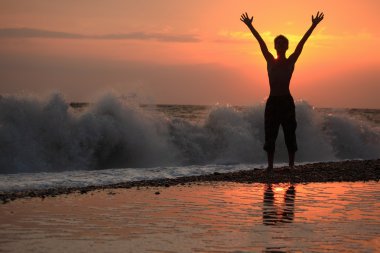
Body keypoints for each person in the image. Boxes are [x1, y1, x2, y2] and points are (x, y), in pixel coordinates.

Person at [240, 11, 324, 170]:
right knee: (270, 134)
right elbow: (260, 42)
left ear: (286, 46)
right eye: (277, 43)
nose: (280, 46)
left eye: (282, 44)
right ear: (275, 46)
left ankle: (291, 165)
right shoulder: (270, 60)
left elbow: (302, 44)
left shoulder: (291, 61)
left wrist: (313, 25)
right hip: (272, 101)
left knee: (289, 133)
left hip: (286, 101)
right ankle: (270, 166)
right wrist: (250, 26)